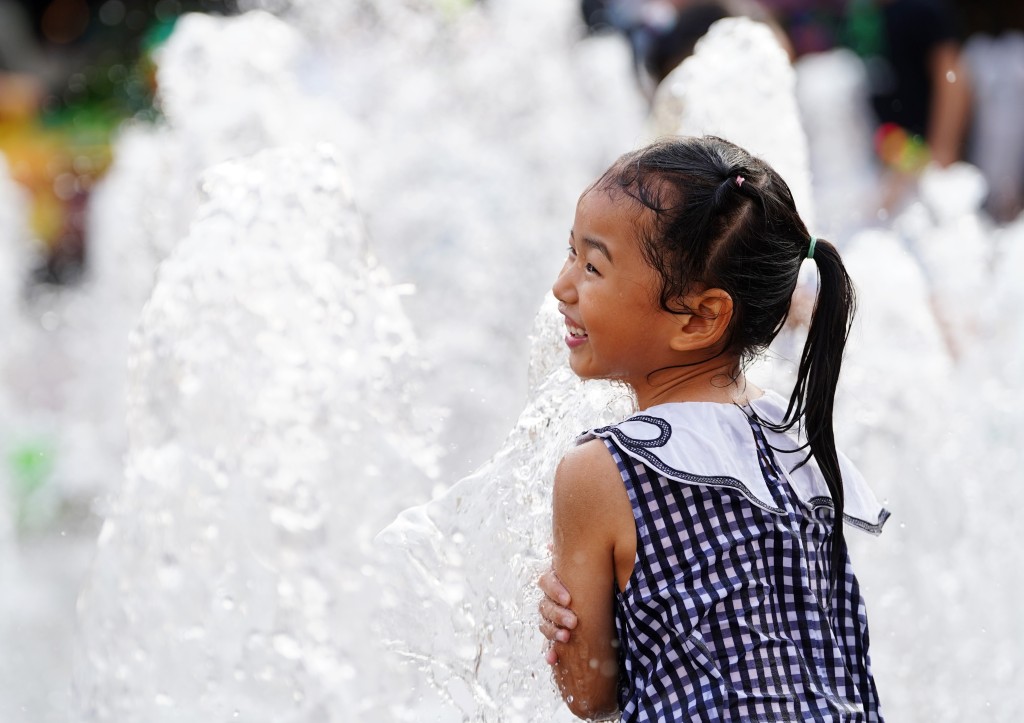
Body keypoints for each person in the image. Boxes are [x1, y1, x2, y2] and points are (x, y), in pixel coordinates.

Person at [536, 135, 889, 721]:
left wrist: (552, 609)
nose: (562, 285)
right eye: (571, 252)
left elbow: (588, 694)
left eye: (593, 266)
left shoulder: (605, 470)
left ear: (702, 317)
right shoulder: (793, 442)